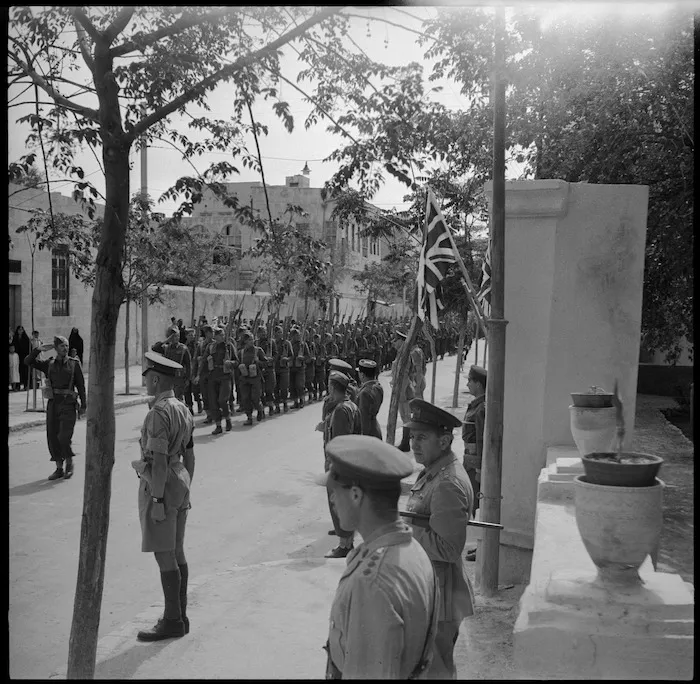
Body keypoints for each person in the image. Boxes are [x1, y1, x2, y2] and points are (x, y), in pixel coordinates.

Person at [323, 435, 438, 679]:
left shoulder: (371, 584)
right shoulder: (413, 549)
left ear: (355, 495)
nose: (332, 500)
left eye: (334, 492)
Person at [404, 398, 475, 680]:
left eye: (422, 437)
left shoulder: (447, 482)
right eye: (412, 436)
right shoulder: (437, 470)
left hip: (441, 593)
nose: (414, 443)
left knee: (435, 670)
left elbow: (447, 547)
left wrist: (403, 531)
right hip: (434, 588)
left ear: (444, 440)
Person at [132, 351, 195, 641]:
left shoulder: (158, 413)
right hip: (179, 479)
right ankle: (180, 616)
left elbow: (157, 462)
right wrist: (185, 486)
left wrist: (157, 500)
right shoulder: (183, 408)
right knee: (178, 549)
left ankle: (172, 621)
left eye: (147, 378)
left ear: (156, 380)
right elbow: (190, 455)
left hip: (162, 484)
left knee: (164, 554)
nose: (146, 383)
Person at [25, 335, 87, 480]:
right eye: (62, 346)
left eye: (66, 345)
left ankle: (69, 462)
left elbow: (81, 386)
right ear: (56, 348)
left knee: (64, 437)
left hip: (69, 404)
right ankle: (59, 468)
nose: (65, 348)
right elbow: (28, 361)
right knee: (53, 437)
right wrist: (38, 349)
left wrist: (84, 404)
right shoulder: (49, 364)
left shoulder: (74, 364)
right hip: (53, 404)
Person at [321, 371, 362, 559]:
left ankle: (344, 545)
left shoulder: (340, 411)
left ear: (332, 387)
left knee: (339, 504)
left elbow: (339, 444)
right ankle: (347, 540)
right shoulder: (352, 406)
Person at [196, 327, 236, 435]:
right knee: (213, 402)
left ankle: (227, 419)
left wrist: (230, 363)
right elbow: (203, 361)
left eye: (222, 335)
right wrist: (198, 375)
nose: (221, 337)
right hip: (213, 376)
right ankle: (218, 425)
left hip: (225, 376)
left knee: (222, 400)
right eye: (219, 335)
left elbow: (236, 361)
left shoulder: (229, 346)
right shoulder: (210, 346)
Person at [462, 365, 487, 521]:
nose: (467, 384)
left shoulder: (481, 409)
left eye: (470, 381)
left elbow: (481, 440)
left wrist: (478, 469)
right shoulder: (477, 405)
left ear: (478, 384)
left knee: (473, 502)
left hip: (474, 463)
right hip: (469, 460)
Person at [151, 326, 191, 403]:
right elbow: (155, 348)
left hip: (179, 378)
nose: (176, 338)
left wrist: (187, 378)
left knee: (178, 399)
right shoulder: (166, 348)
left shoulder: (183, 348)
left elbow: (188, 365)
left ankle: (181, 413)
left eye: (177, 336)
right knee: (168, 399)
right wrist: (166, 340)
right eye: (174, 336)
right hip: (168, 378)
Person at [390, 330, 414, 452]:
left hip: (403, 390)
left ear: (401, 341)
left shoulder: (404, 355)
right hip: (400, 389)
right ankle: (405, 442)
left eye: (396, 340)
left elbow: (404, 375)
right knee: (405, 416)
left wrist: (401, 393)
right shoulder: (401, 353)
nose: (394, 342)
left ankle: (406, 443)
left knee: (406, 416)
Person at [238, 330, 267, 426]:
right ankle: (249, 417)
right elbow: (236, 364)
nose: (251, 341)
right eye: (249, 339)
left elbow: (266, 363)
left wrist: (258, 362)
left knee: (255, 397)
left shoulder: (258, 350)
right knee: (245, 398)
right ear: (245, 341)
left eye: (252, 339)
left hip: (255, 378)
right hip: (244, 378)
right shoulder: (241, 352)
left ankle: (260, 409)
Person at [356, 358, 384, 439]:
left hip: (368, 433)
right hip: (375, 428)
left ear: (362, 375)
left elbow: (364, 419)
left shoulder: (364, 393)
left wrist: (363, 438)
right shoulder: (377, 387)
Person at [13, 326, 31, 390]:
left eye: (21, 329)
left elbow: (29, 347)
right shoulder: (15, 338)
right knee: (17, 371)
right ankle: (17, 386)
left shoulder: (26, 338)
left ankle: (26, 385)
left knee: (25, 371)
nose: (20, 331)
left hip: (24, 357)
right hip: (17, 357)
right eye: (19, 330)